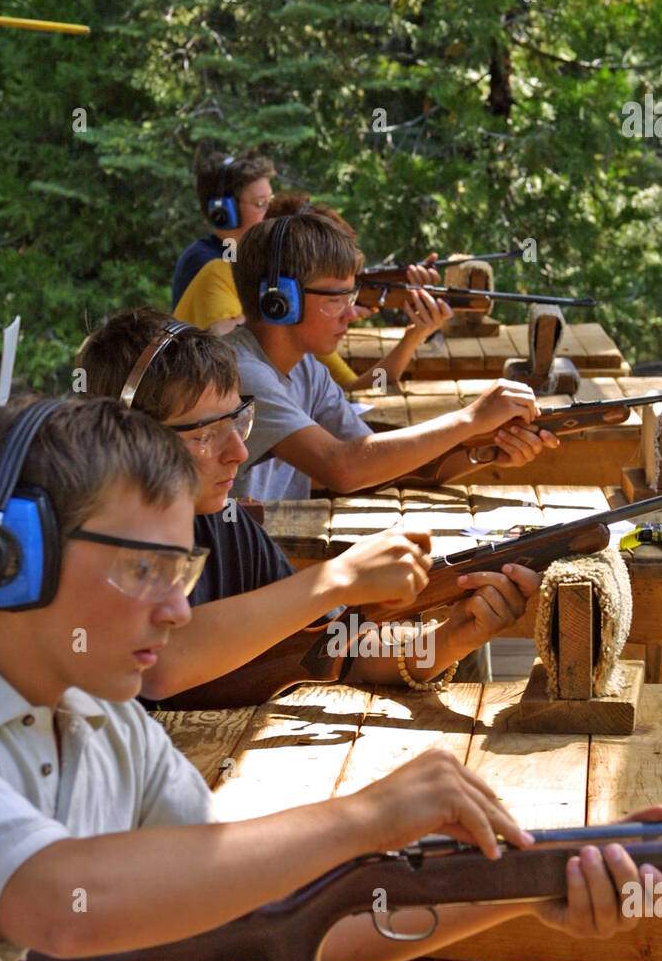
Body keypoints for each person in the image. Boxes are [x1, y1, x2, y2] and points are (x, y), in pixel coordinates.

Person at [0, 396, 662, 961]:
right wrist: (362, 819)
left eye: (181, 572)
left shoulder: (110, 726)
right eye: (144, 569)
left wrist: (523, 884)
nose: (175, 610)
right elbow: (55, 904)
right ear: (4, 556)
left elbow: (279, 917)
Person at [79, 308, 546, 702]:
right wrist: (337, 579)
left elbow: (332, 646)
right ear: (131, 443)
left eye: (239, 421)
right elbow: (159, 665)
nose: (238, 453)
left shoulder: (225, 526)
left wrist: (449, 638)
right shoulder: (85, 549)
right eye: (204, 435)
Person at [227, 210, 560, 503]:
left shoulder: (307, 371)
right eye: (336, 298)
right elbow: (342, 467)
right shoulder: (241, 375)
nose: (349, 312)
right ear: (279, 301)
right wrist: (469, 419)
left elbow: (381, 467)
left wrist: (485, 450)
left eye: (352, 295)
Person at [264, 191, 454, 393]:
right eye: (335, 296)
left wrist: (413, 337)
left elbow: (365, 387)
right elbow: (359, 390)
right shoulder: (265, 373)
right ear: (286, 295)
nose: (351, 312)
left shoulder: (306, 355)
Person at [171, 151, 275, 332]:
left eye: (270, 201)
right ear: (225, 211)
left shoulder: (247, 257)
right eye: (260, 204)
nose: (271, 212)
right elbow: (233, 339)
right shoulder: (203, 262)